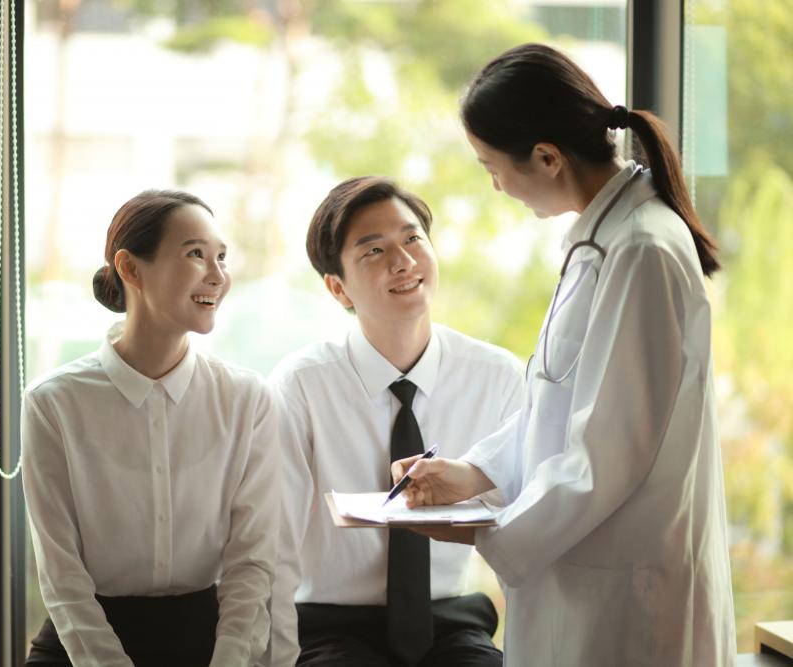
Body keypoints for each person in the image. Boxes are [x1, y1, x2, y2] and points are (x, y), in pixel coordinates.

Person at [394, 43, 736, 666]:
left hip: (626, 592)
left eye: (491, 166)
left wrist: (480, 527)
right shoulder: (601, 242)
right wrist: (475, 473)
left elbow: (611, 447)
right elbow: (558, 399)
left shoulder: (642, 249)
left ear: (547, 157)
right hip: (585, 574)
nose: (495, 185)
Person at [269, 176, 525, 667]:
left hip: (449, 620)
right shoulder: (301, 384)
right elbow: (271, 543)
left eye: (412, 239)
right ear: (337, 288)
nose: (403, 262)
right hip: (330, 626)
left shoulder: (498, 377)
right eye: (374, 250)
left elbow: (526, 517)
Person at [21, 190, 278, 667]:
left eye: (221, 256)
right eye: (195, 254)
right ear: (131, 268)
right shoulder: (53, 403)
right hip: (83, 641)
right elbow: (62, 575)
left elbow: (251, 562)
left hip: (212, 640)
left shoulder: (248, 399)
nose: (217, 276)